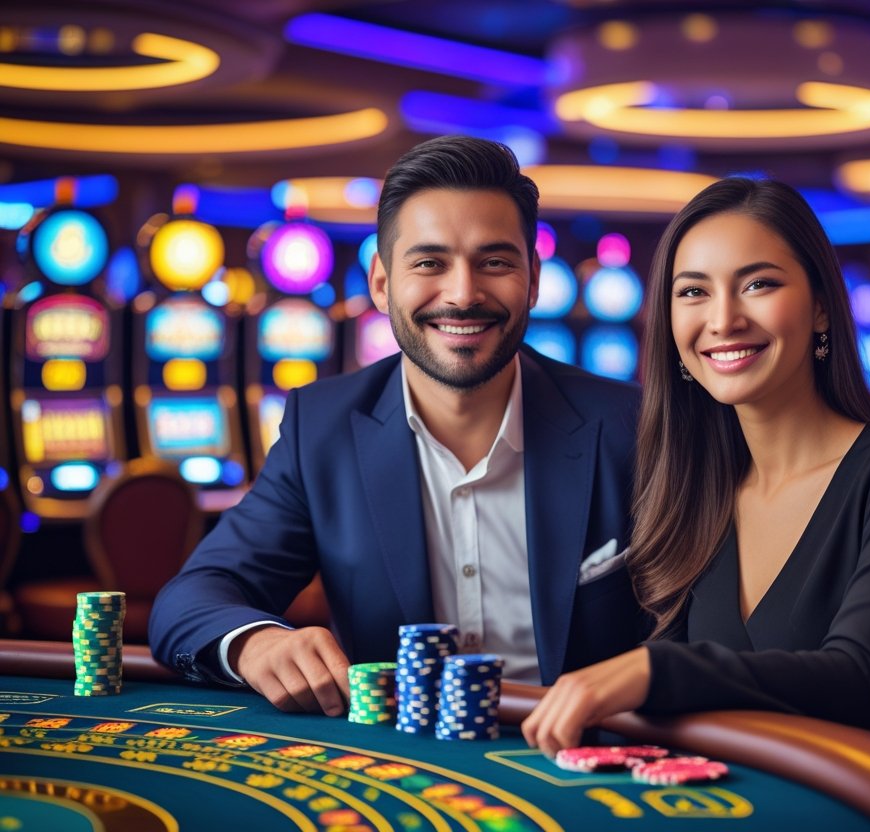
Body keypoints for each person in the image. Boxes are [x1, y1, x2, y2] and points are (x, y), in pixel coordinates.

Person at [149, 136, 649, 715]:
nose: (463, 294)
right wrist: (258, 643)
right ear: (382, 282)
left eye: (494, 262)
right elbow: (189, 599)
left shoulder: (630, 426)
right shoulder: (323, 429)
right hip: (395, 765)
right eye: (430, 263)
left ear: (533, 279)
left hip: (583, 763)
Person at [523, 177, 870, 754]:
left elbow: (858, 683)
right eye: (693, 292)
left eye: (758, 284)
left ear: (823, 307)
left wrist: (654, 671)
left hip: (867, 804)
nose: (723, 319)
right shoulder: (691, 489)